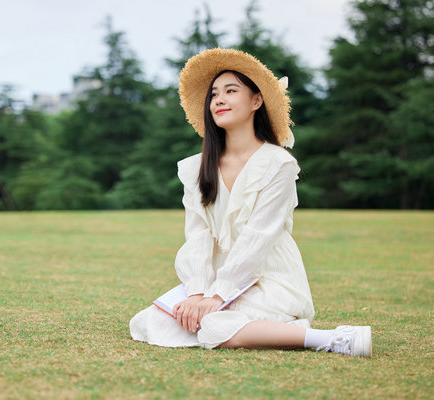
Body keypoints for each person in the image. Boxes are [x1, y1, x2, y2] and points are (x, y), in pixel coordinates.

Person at [129, 48, 372, 357]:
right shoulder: (195, 167)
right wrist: (200, 292)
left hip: (268, 275)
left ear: (256, 101)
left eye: (231, 91)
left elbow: (259, 237)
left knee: (214, 326)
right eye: (214, 93)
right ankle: (276, 331)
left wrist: (217, 297)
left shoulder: (278, 164)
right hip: (218, 280)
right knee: (149, 322)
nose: (218, 99)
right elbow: (198, 235)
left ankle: (329, 338)